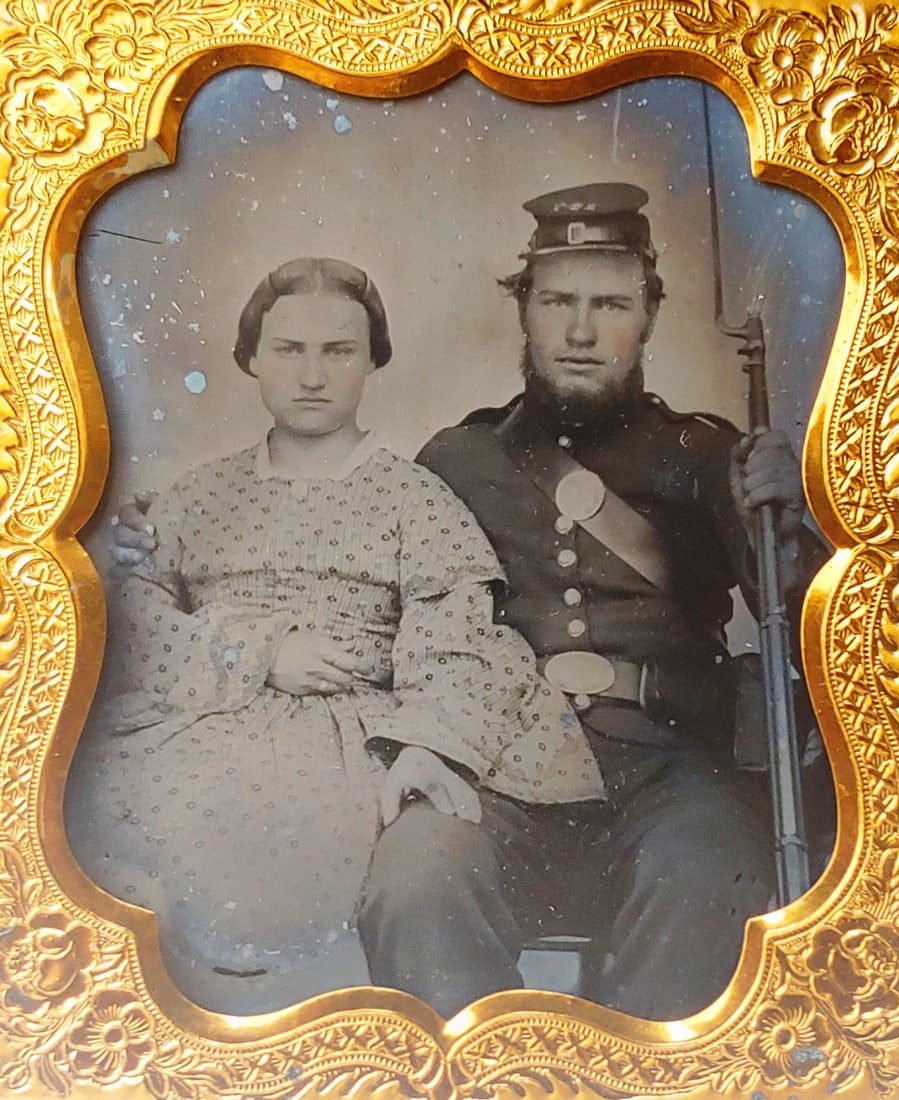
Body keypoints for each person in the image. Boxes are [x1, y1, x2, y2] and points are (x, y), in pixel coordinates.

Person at [110, 186, 828, 1021]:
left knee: (707, 886)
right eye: (558, 302)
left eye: (611, 305)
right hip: (499, 763)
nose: (583, 332)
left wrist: (786, 522)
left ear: (651, 313)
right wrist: (158, 550)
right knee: (414, 885)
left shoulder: (708, 455)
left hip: (674, 769)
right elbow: (358, 572)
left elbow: (815, 621)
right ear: (524, 309)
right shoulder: (457, 458)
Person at [66, 256, 602, 1014]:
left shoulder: (413, 497)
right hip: (190, 726)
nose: (312, 375)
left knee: (270, 871)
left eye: (338, 351)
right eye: (289, 350)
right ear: (251, 357)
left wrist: (426, 744)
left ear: (372, 361)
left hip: (342, 739)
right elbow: (138, 618)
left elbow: (455, 631)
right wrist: (255, 653)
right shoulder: (200, 494)